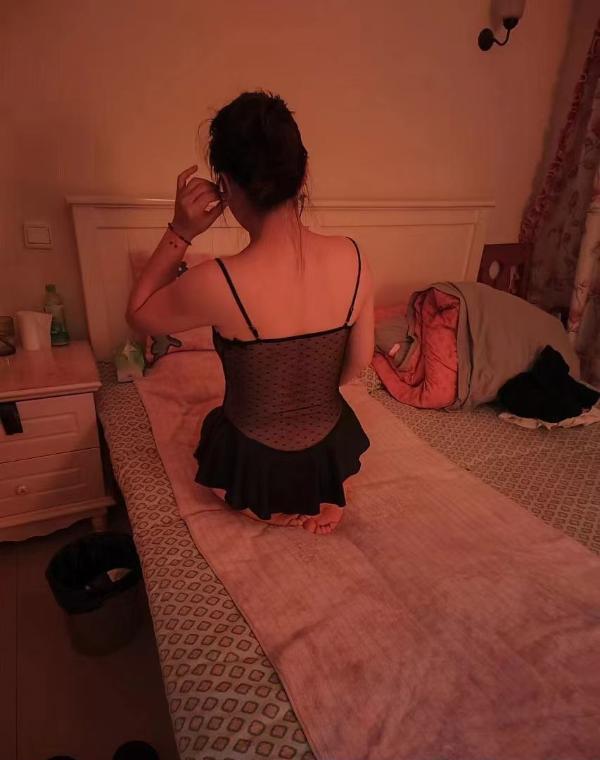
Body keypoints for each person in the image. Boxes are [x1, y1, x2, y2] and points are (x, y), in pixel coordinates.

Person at [127, 91, 374, 535]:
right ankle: (319, 494)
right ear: (302, 173)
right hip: (328, 457)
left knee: (217, 429)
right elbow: (356, 364)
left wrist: (181, 229)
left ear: (224, 184)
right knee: (319, 420)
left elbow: (139, 313)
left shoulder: (217, 280)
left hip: (254, 468)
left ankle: (267, 507)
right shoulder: (353, 256)